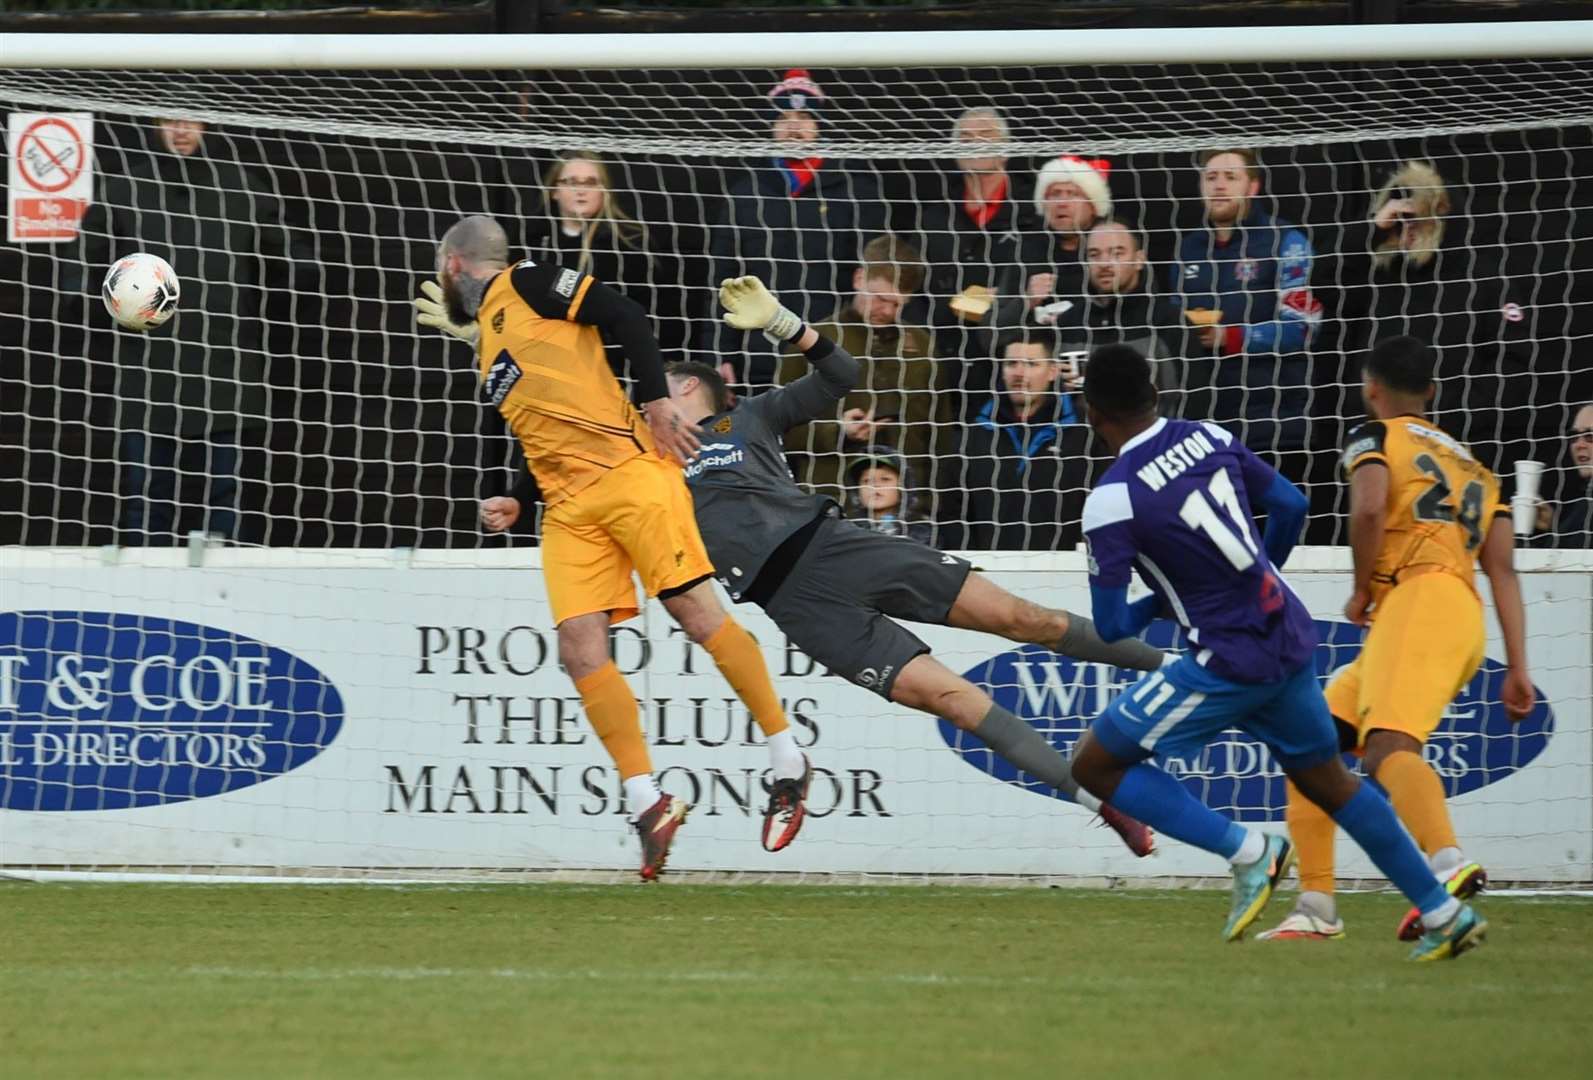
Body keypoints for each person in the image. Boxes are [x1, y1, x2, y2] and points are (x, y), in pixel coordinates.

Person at [486, 277, 1170, 858]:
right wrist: (517, 492)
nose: (647, 398)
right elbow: (559, 431)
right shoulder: (633, 458)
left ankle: (1178, 669)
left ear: (693, 392)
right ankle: (1098, 799)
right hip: (797, 608)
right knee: (952, 700)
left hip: (840, 546)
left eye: (661, 388)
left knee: (1028, 619)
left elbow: (841, 377)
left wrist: (788, 326)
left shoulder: (746, 419)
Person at [413, 217, 807, 879]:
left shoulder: (529, 281)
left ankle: (787, 754)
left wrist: (655, 400)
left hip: (627, 475)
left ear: (454, 265)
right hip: (566, 508)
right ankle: (647, 802)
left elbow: (623, 312)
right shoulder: (488, 344)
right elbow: (544, 421)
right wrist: (518, 494)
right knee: (577, 648)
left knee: (696, 614)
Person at [1067, 343, 1489, 961]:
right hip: (1286, 635)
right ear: (1155, 393)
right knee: (1333, 784)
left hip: (1225, 661)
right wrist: (1260, 573)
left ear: (1090, 412)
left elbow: (1108, 625)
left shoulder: (1112, 497)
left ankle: (1249, 851)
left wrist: (1156, 603)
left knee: (1093, 763)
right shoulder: (1209, 434)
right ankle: (1443, 910)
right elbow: (1291, 504)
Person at [1257, 336, 1535, 943]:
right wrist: (1517, 666)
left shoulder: (1374, 437)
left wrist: (1360, 589)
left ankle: (1444, 865)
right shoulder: (1480, 471)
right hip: (1459, 614)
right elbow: (1504, 570)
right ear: (1431, 392)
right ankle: (1316, 905)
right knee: (1314, 742)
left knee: (1386, 748)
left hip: (1418, 599)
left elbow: (1369, 507)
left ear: (1369, 387)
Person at [71, 117, 299, 545]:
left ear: (206, 125)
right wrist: (105, 305)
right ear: (156, 125)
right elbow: (82, 262)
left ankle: (228, 586)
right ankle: (144, 584)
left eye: (189, 121)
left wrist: (295, 280)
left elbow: (287, 258)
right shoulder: (126, 189)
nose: (181, 131)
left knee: (226, 495)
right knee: (146, 493)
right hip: (147, 369)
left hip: (225, 365)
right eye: (170, 121)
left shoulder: (241, 188)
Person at [700, 69, 887, 391]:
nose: (794, 127)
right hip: (757, 359)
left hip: (832, 353)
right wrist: (719, 354)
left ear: (820, 125)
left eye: (803, 116)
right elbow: (722, 279)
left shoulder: (858, 190)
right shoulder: (745, 192)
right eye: (784, 117)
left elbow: (871, 279)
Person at [1166, 148, 1322, 455]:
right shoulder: (1188, 249)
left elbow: (1304, 328)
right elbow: (1172, 319)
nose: (1219, 185)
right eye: (1211, 177)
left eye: (1230, 177)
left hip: (1276, 422)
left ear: (1252, 186)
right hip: (1204, 426)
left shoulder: (1286, 242)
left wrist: (1230, 336)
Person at [774, 235, 946, 505]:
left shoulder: (923, 346)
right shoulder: (812, 341)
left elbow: (939, 434)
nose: (887, 310)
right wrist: (840, 432)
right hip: (831, 501)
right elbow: (779, 430)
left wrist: (929, 502)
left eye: (898, 304)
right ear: (858, 279)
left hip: (908, 510)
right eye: (880, 298)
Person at [915, 107, 1033, 370]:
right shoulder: (933, 216)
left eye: (985, 135)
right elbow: (914, 286)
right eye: (966, 138)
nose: (975, 143)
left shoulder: (1034, 210)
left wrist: (1007, 296)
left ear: (1005, 149)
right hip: (944, 354)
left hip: (1011, 354)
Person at [956, 328, 1095, 551]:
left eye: (1031, 364)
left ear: (1052, 371)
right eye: (1012, 364)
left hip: (1066, 570)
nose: (1019, 373)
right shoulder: (974, 434)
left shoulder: (1083, 434)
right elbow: (954, 511)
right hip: (988, 570)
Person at [1053, 219, 1192, 409]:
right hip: (1083, 437)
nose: (1104, 264)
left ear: (1139, 260)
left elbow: (1194, 402)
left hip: (1156, 437)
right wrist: (1058, 386)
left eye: (1117, 253)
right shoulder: (1068, 322)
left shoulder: (1169, 320)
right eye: (1094, 255)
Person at [1008, 155, 1113, 332]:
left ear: (1093, 206)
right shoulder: (1026, 252)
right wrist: (1027, 301)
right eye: (1054, 194)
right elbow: (989, 334)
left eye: (1073, 194)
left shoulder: (1115, 247)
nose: (1061, 203)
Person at [842, 447, 935, 546]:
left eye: (885, 479)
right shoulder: (843, 530)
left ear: (904, 486)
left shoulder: (922, 530)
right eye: (867, 480)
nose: (875, 485)